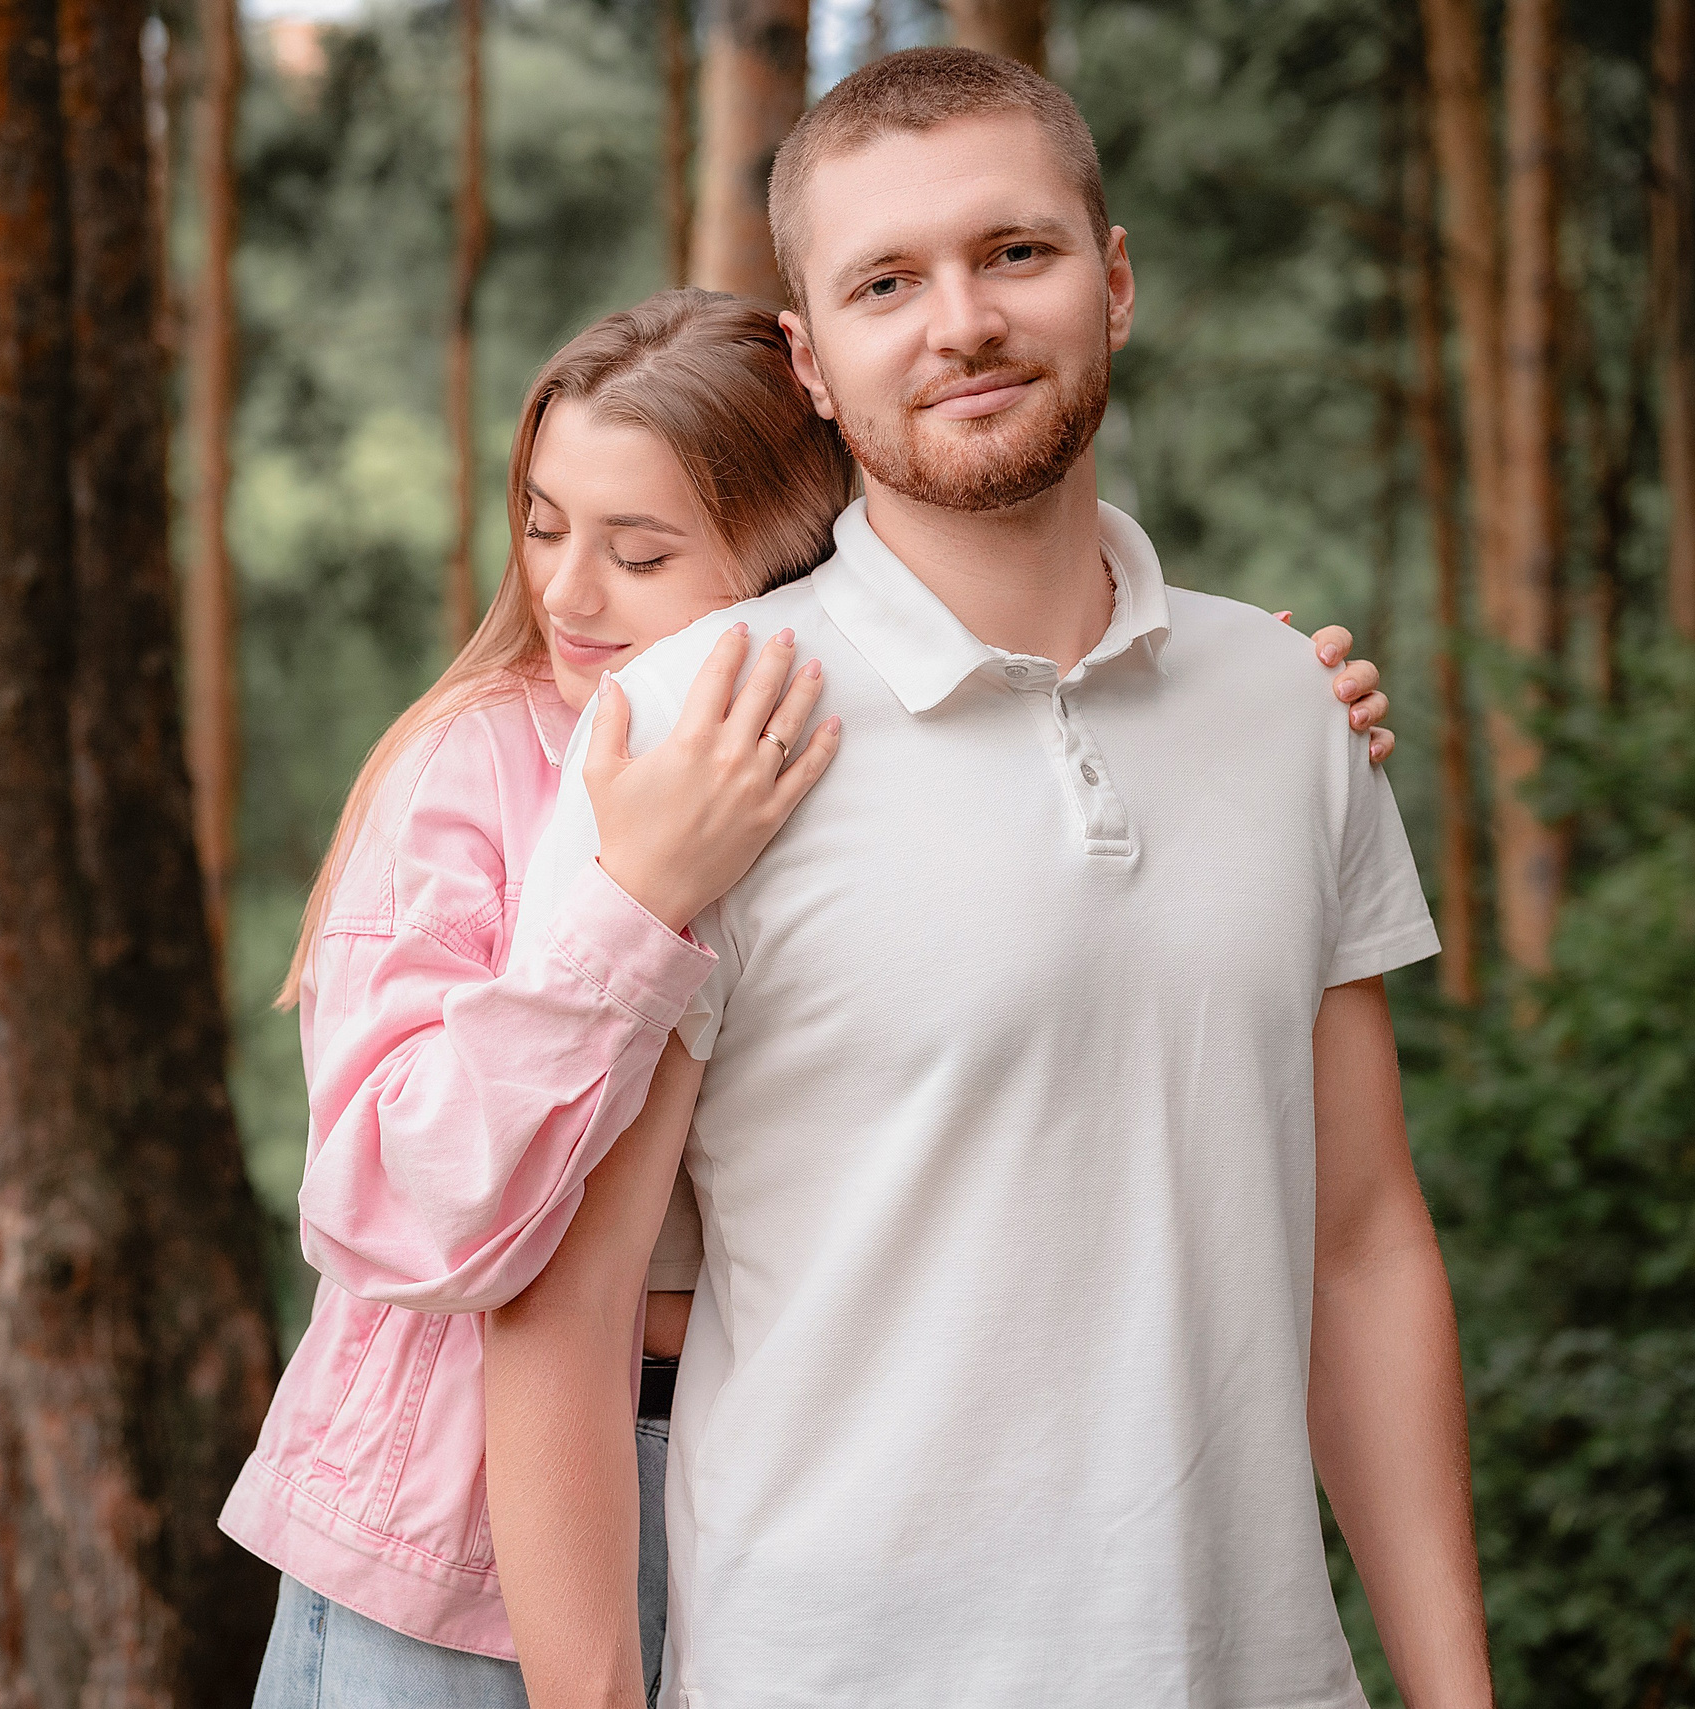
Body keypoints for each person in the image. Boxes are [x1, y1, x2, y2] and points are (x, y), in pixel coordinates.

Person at [222, 289, 1401, 1703]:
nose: (567, 592)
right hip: (452, 1540)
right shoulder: (470, 769)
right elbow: (394, 1214)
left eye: (639, 549)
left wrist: (1237, 707)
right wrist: (630, 898)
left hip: (788, 1520)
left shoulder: (884, 748)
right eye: (542, 524)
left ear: (798, 552)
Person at [486, 47, 1489, 1709]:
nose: (959, 322)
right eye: (887, 281)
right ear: (809, 360)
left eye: (1013, 253)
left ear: (1115, 282)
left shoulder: (1286, 707)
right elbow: (559, 1307)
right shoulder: (692, 733)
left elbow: (1366, 1241)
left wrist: (1457, 1691)